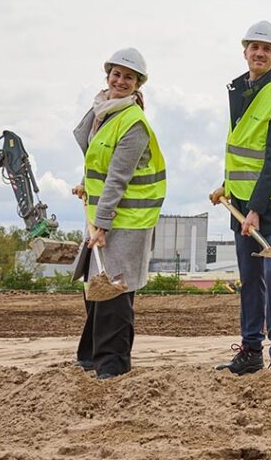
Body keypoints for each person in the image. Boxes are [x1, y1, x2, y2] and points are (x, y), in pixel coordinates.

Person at [210, 21, 271, 376]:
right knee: (250, 278)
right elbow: (243, 149)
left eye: (267, 49)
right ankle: (251, 350)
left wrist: (255, 210)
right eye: (254, 47)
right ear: (245, 51)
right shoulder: (241, 90)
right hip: (242, 203)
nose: (260, 53)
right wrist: (226, 184)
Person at [70, 47, 167, 380]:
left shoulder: (133, 123)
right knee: (95, 286)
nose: (121, 81)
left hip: (125, 221)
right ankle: (90, 357)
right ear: (107, 75)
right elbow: (97, 157)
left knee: (115, 290)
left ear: (138, 84)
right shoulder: (105, 112)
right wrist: (85, 182)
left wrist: (103, 225)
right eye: (116, 74)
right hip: (104, 216)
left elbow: (118, 177)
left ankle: (113, 365)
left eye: (129, 77)